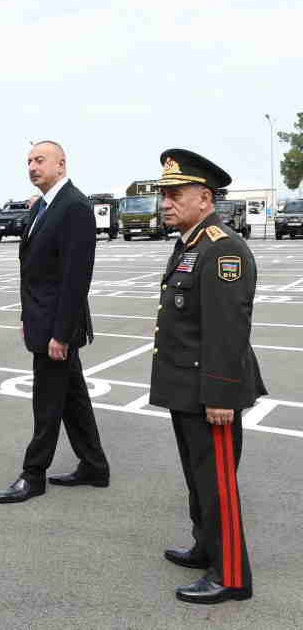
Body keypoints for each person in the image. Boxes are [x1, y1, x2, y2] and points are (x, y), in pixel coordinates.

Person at [149, 149, 265, 604]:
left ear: (205, 197)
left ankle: (231, 576)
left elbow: (227, 329)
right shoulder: (191, 243)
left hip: (209, 392)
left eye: (176, 195)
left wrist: (221, 395)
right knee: (199, 480)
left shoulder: (221, 249)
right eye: (164, 195)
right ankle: (206, 547)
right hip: (187, 389)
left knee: (217, 485)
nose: (166, 203)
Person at [0, 141, 109, 504]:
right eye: (29, 161)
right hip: (42, 319)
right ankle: (94, 465)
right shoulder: (43, 206)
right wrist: (28, 316)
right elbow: (36, 272)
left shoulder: (74, 206)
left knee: (46, 402)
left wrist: (61, 333)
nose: (32, 166)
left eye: (40, 160)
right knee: (73, 398)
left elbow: (76, 277)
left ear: (61, 165)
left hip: (57, 327)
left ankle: (33, 475)